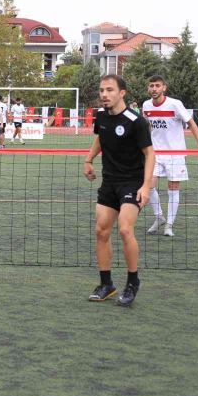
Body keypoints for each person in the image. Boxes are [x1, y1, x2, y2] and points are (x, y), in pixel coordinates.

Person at [84, 75, 154, 307]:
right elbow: (101, 138)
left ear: (122, 93)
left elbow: (149, 154)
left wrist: (146, 186)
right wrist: (89, 159)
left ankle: (132, 282)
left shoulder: (137, 121)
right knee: (101, 231)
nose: (104, 94)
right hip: (109, 183)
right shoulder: (101, 116)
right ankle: (107, 284)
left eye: (110, 90)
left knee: (125, 229)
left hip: (132, 183)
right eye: (102, 90)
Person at [142, 75, 198, 237]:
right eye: (151, 86)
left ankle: (169, 224)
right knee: (149, 185)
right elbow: (147, 127)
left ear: (164, 87)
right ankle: (159, 217)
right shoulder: (146, 105)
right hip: (155, 153)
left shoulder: (175, 104)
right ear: (148, 89)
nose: (154, 89)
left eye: (158, 85)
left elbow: (191, 124)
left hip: (175, 154)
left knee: (173, 188)